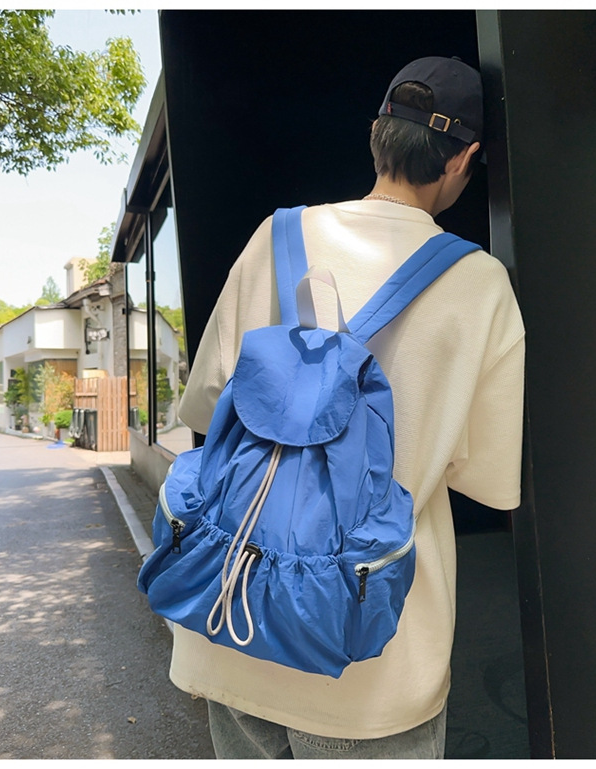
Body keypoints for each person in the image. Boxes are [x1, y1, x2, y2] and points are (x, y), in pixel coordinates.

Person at [172, 56, 525, 759]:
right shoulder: (480, 284)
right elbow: (486, 477)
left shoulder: (274, 239)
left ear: (377, 136)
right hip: (372, 652)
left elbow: (209, 406)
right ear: (465, 160)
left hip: (232, 624)